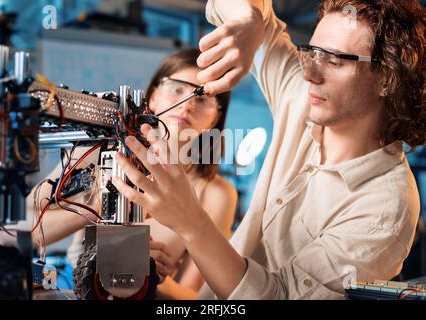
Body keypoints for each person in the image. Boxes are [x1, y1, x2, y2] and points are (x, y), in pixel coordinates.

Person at [111, 0, 426, 299]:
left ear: (386, 77)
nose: (310, 74)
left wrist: (191, 222)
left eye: (333, 60)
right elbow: (241, 8)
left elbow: (281, 296)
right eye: (312, 53)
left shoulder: (385, 208)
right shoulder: (301, 97)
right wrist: (249, 21)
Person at [2, 48, 237, 299]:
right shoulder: (100, 150)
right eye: (177, 88)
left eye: (203, 98)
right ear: (153, 96)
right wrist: (97, 205)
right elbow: (13, 232)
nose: (188, 103)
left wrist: (145, 273)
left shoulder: (216, 194)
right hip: (72, 287)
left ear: (215, 119)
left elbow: (198, 297)